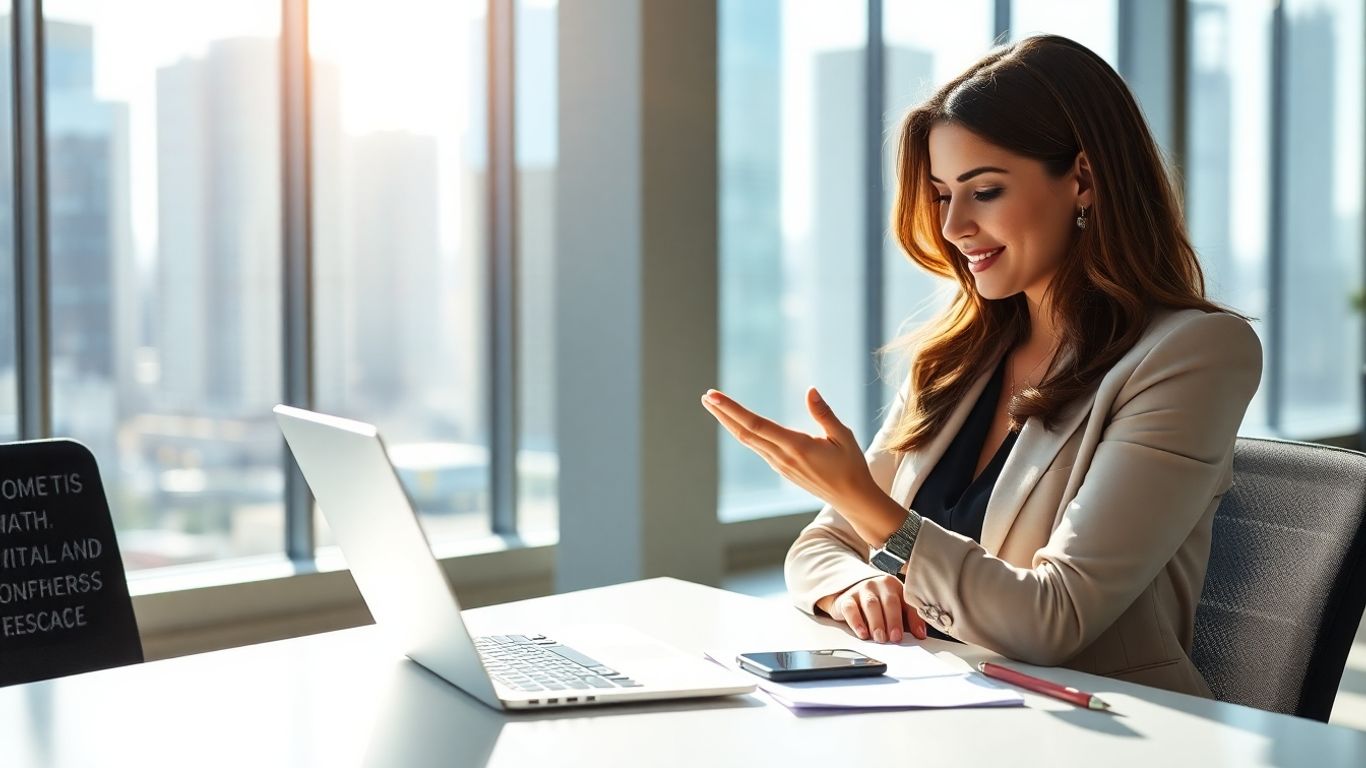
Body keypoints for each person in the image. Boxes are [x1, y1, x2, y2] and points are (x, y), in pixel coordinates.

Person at [700, 34, 1261, 697]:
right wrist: (856, 585)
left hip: (1101, 730)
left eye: (984, 190)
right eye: (941, 195)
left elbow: (1053, 619)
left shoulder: (1191, 355)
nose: (953, 225)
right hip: (933, 709)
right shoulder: (960, 358)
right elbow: (818, 549)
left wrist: (868, 507)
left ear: (1083, 179)